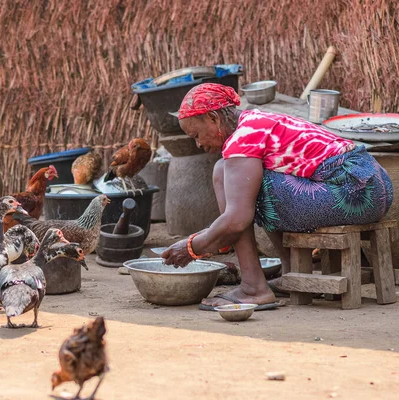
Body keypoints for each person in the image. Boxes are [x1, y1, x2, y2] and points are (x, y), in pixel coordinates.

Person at [161, 83, 393, 310]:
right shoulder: (255, 120)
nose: (198, 143)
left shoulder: (242, 139)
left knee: (234, 185)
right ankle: (293, 272)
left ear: (213, 118)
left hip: (354, 192)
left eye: (197, 134)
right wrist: (208, 237)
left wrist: (191, 248)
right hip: (374, 183)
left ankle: (253, 288)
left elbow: (237, 220)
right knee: (234, 178)